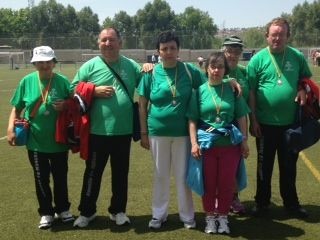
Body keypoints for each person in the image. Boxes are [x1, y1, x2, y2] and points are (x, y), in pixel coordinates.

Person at [72, 27, 143, 228]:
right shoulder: (90, 66)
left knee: (120, 174)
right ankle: (87, 212)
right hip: (97, 132)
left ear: (120, 43)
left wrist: (148, 67)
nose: (108, 44)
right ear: (98, 43)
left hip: (123, 131)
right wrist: (93, 90)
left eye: (112, 40)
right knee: (93, 173)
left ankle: (118, 211)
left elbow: (147, 83)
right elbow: (73, 88)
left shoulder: (131, 65)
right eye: (104, 40)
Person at [138, 30, 206, 229]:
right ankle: (159, 215)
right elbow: (142, 105)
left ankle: (187, 216)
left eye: (172, 48)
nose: (168, 52)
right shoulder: (151, 73)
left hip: (183, 133)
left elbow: (209, 85)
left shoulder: (189, 71)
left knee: (183, 175)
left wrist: (229, 81)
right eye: (164, 48)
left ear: (178, 50)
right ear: (158, 51)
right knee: (161, 175)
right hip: (157, 132)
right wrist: (143, 133)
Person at [247, 17, 312, 218]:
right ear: (267, 36)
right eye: (273, 34)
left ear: (287, 36)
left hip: (291, 124)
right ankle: (262, 203)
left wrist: (302, 88)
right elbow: (250, 93)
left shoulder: (296, 56)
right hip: (264, 125)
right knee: (263, 167)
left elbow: (306, 79)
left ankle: (291, 204)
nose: (277, 38)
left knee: (289, 166)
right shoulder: (257, 60)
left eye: (281, 34)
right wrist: (254, 120)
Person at [7, 46, 74, 229]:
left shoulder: (62, 81)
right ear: (35, 63)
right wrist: (10, 128)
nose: (44, 65)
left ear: (53, 62)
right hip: (35, 142)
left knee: (61, 177)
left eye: (48, 61)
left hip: (59, 141)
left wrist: (66, 105)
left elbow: (75, 104)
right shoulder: (26, 81)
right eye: (40, 62)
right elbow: (16, 108)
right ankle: (46, 212)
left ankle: (63, 209)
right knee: (40, 178)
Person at [187, 52, 250, 234]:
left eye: (220, 67)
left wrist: (244, 140)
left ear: (225, 70)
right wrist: (193, 143)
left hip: (230, 146)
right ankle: (209, 218)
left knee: (226, 183)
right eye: (213, 66)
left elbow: (241, 116)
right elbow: (192, 120)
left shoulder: (232, 89)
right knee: (208, 184)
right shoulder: (198, 91)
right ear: (207, 69)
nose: (216, 70)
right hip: (206, 147)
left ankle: (223, 217)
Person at [222, 35, 248, 214]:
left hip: (238, 126)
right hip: (217, 127)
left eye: (236, 51)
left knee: (236, 165)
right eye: (229, 50)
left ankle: (234, 198)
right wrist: (225, 81)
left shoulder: (244, 72)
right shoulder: (216, 69)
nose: (233, 54)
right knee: (216, 164)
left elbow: (249, 98)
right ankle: (220, 198)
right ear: (224, 51)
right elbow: (204, 85)